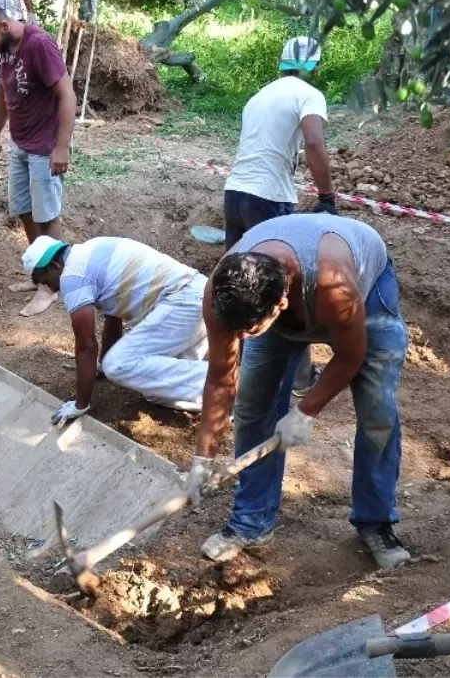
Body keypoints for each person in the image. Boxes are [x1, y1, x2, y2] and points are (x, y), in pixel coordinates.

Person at [185, 214, 409, 570]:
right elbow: (220, 378)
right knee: (253, 408)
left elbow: (352, 356)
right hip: (281, 302)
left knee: (377, 412)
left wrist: (305, 411)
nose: (240, 339)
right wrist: (203, 459)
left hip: (367, 286)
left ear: (281, 305)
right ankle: (251, 523)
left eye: (250, 330)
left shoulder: (336, 288)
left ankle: (375, 522)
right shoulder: (223, 293)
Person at [223, 35, 338, 395]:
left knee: (240, 284)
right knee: (286, 286)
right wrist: (327, 196)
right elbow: (315, 144)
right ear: (314, 66)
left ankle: (236, 366)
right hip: (269, 198)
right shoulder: (308, 94)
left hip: (235, 193)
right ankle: (300, 379)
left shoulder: (260, 95)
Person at [23, 235, 208, 427]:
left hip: (183, 305)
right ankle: (222, 402)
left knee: (118, 365)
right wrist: (102, 364)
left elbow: (86, 346)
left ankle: (230, 384)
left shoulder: (72, 277)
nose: (49, 288)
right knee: (156, 392)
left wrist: (80, 404)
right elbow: (114, 315)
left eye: (44, 280)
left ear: (55, 266)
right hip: (201, 298)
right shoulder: (91, 250)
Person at [0, 1, 76, 317]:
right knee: (25, 211)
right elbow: (4, 90)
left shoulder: (39, 44)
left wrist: (62, 147)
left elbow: (67, 95)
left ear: (4, 25)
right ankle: (41, 274)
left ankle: (53, 285)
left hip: (45, 145)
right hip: (21, 143)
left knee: (47, 216)